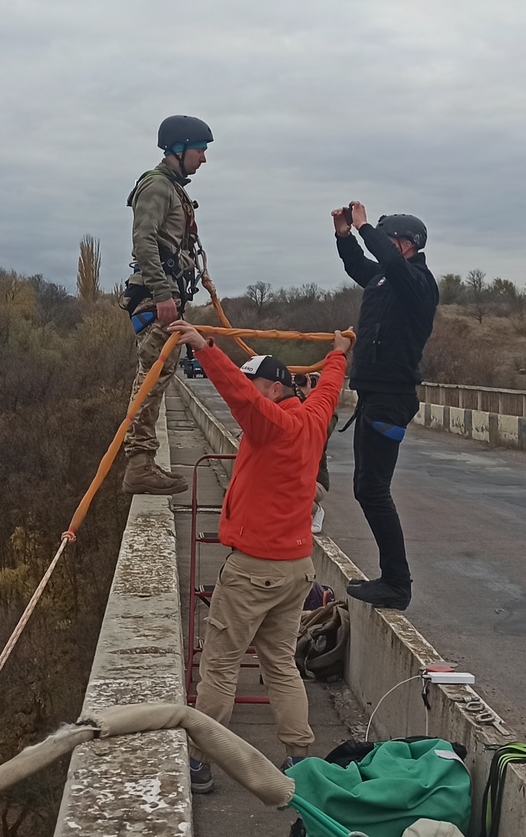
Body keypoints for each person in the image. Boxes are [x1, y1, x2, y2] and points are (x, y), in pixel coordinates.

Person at [170, 319, 351, 791]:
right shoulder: (312, 419)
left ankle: (201, 761)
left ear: (272, 387)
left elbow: (238, 396)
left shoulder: (271, 424)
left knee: (220, 665)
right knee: (280, 665)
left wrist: (203, 347)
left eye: (257, 382)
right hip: (297, 571)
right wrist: (338, 351)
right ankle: (297, 758)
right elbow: (329, 388)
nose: (252, 390)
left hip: (255, 570)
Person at [331, 201, 438, 610]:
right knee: (365, 488)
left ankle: (397, 583)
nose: (385, 248)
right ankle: (392, 578)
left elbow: (389, 263)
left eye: (389, 241)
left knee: (374, 490)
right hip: (373, 394)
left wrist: (364, 227)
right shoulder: (383, 280)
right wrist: (344, 236)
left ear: (407, 246)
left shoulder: (419, 283)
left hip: (393, 398)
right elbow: (361, 266)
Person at [117, 115, 214, 496]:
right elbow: (143, 241)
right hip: (158, 296)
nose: (203, 159)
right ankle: (139, 464)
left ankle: (142, 461)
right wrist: (161, 294)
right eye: (200, 150)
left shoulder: (173, 188)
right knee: (153, 376)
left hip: (168, 294)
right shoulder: (157, 186)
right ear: (180, 148)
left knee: (159, 373)